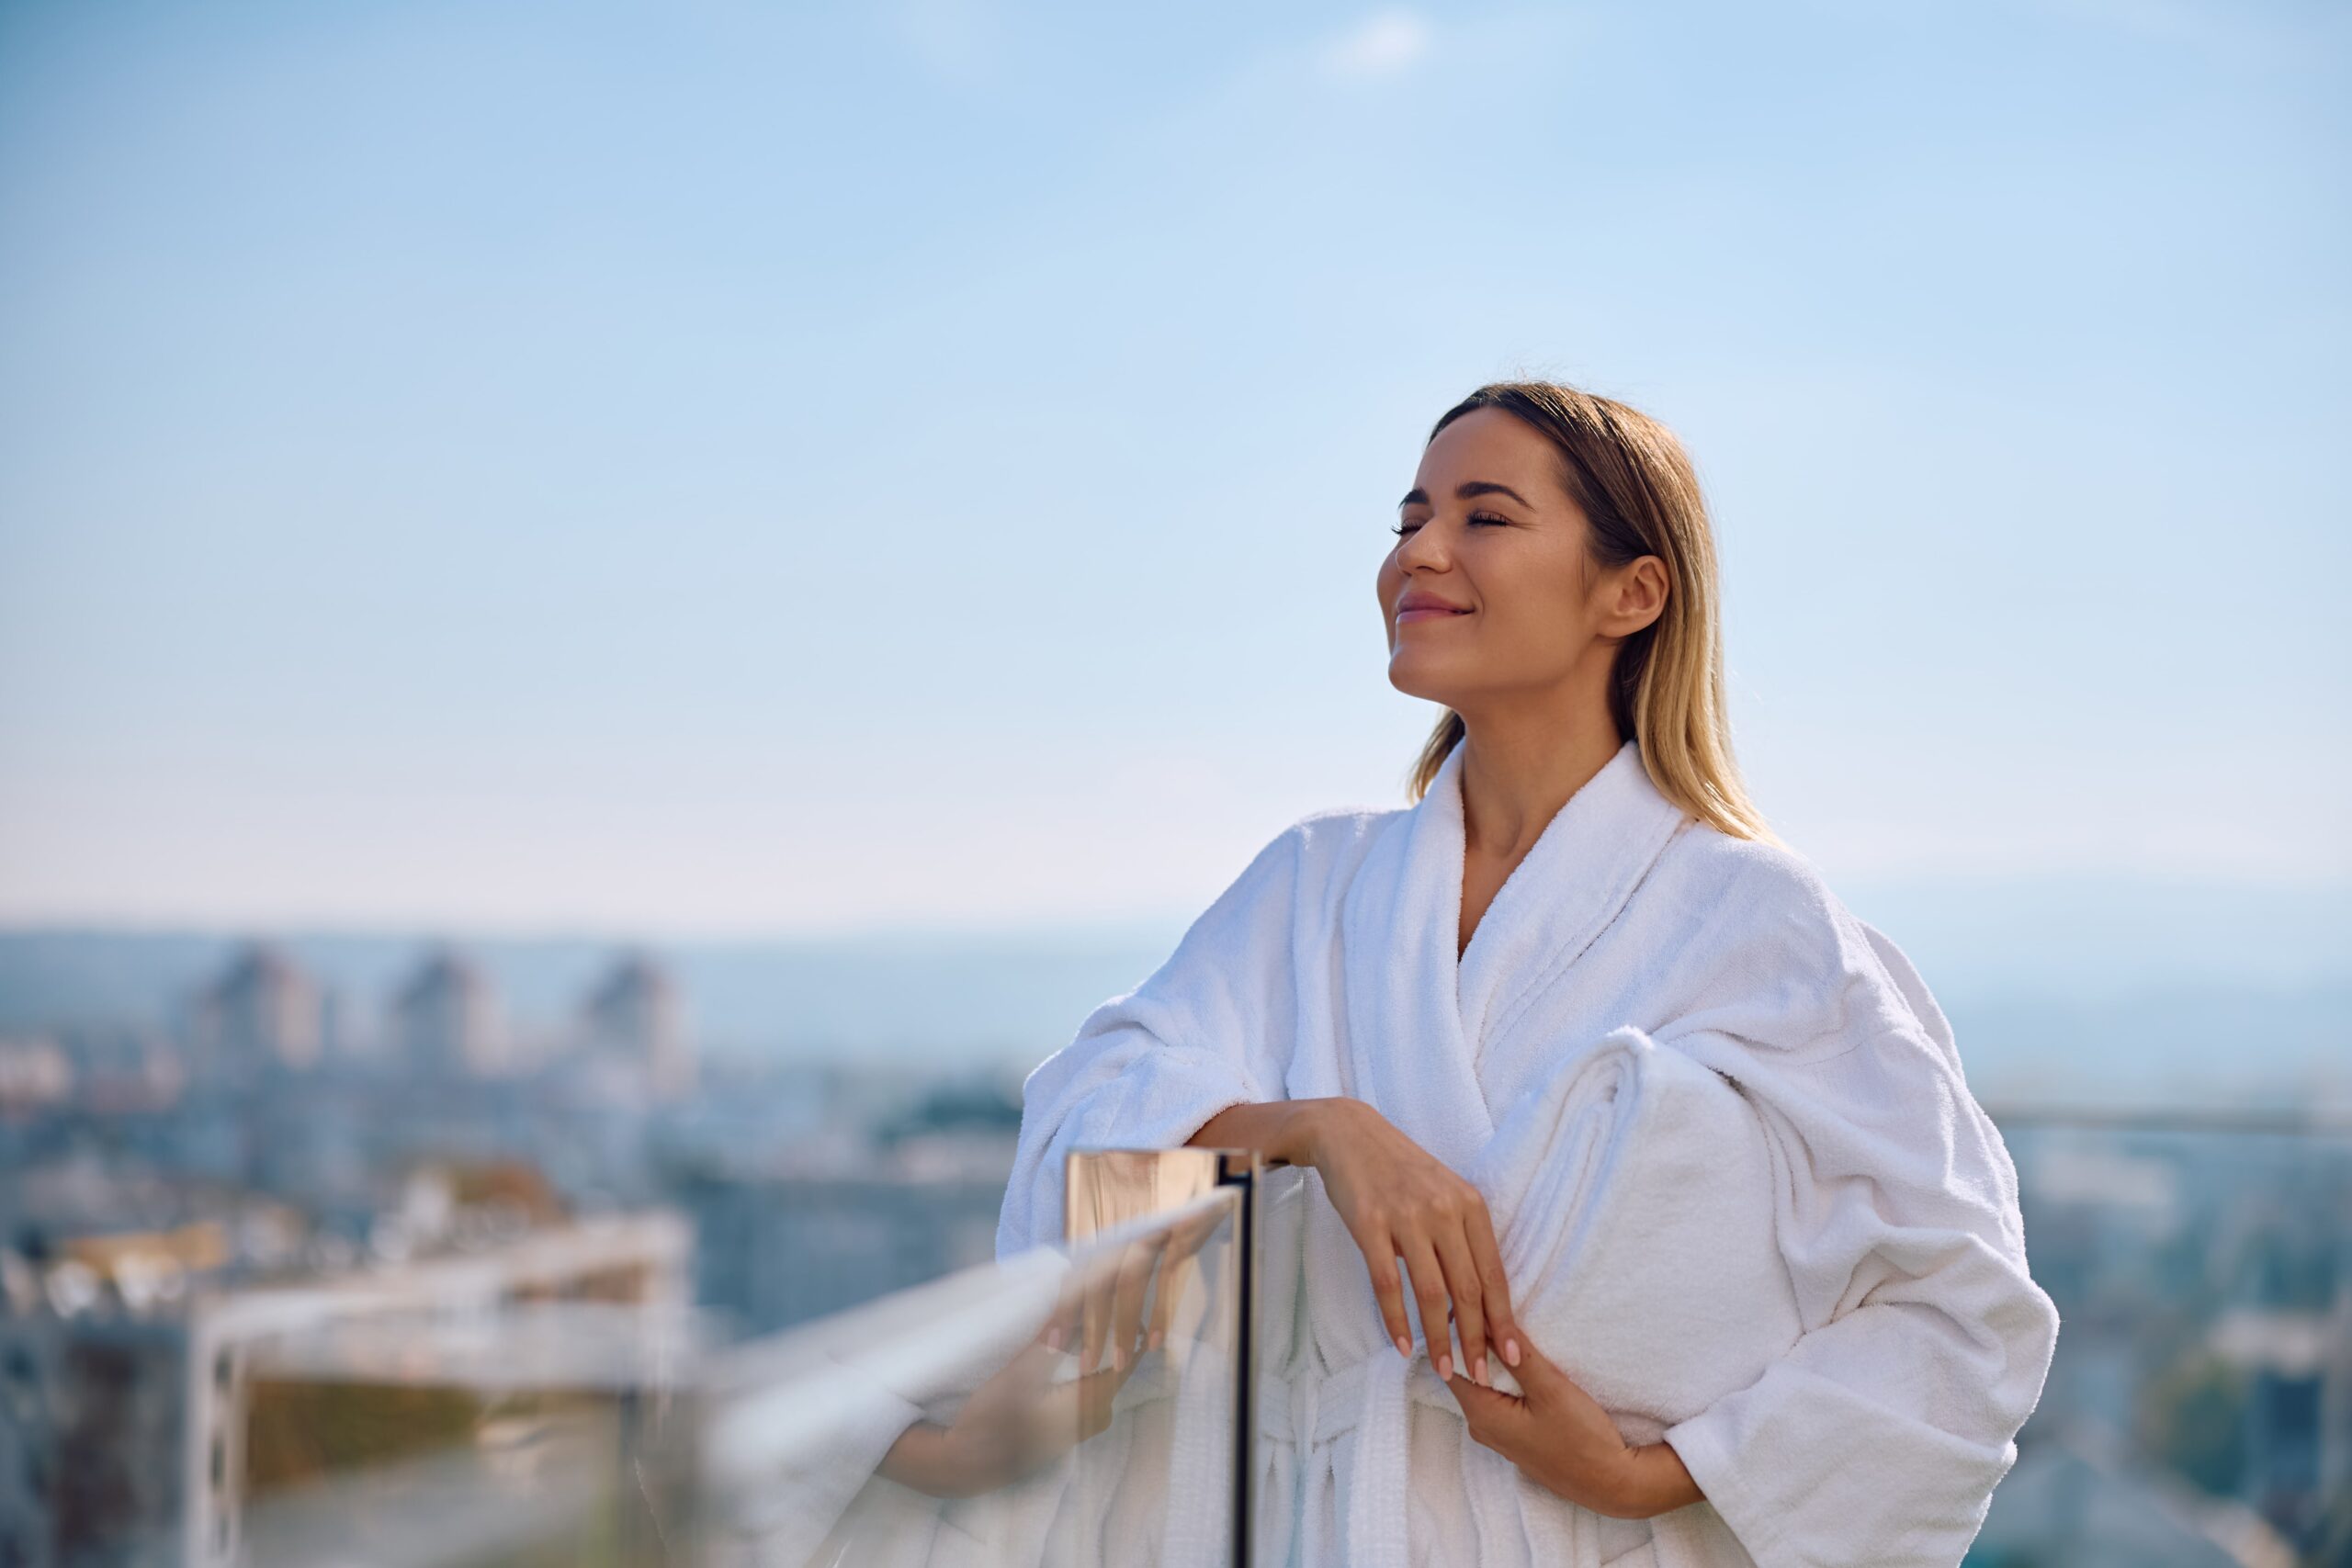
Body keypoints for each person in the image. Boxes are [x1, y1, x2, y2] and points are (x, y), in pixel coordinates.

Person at [994, 379, 2061, 1567]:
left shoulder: (1756, 921)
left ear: (1633, 591)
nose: (1420, 553)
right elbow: (1078, 1152)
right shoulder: (1309, 884)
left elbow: (1966, 1318)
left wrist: (1651, 1476)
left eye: (1484, 517)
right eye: (1408, 520)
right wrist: (1319, 1132)